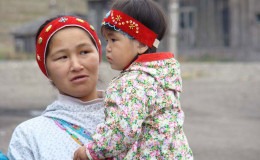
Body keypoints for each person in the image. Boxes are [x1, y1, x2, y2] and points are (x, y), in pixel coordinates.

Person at [74, 0, 193, 159]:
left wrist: (91, 151)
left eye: (114, 40)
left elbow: (123, 130)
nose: (107, 47)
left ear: (142, 44)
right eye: (107, 40)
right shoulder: (159, 75)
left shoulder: (133, 81)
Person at [7, 15, 105, 160]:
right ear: (47, 70)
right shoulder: (29, 136)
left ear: (98, 55)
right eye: (62, 57)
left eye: (84, 52)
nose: (77, 66)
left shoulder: (133, 115)